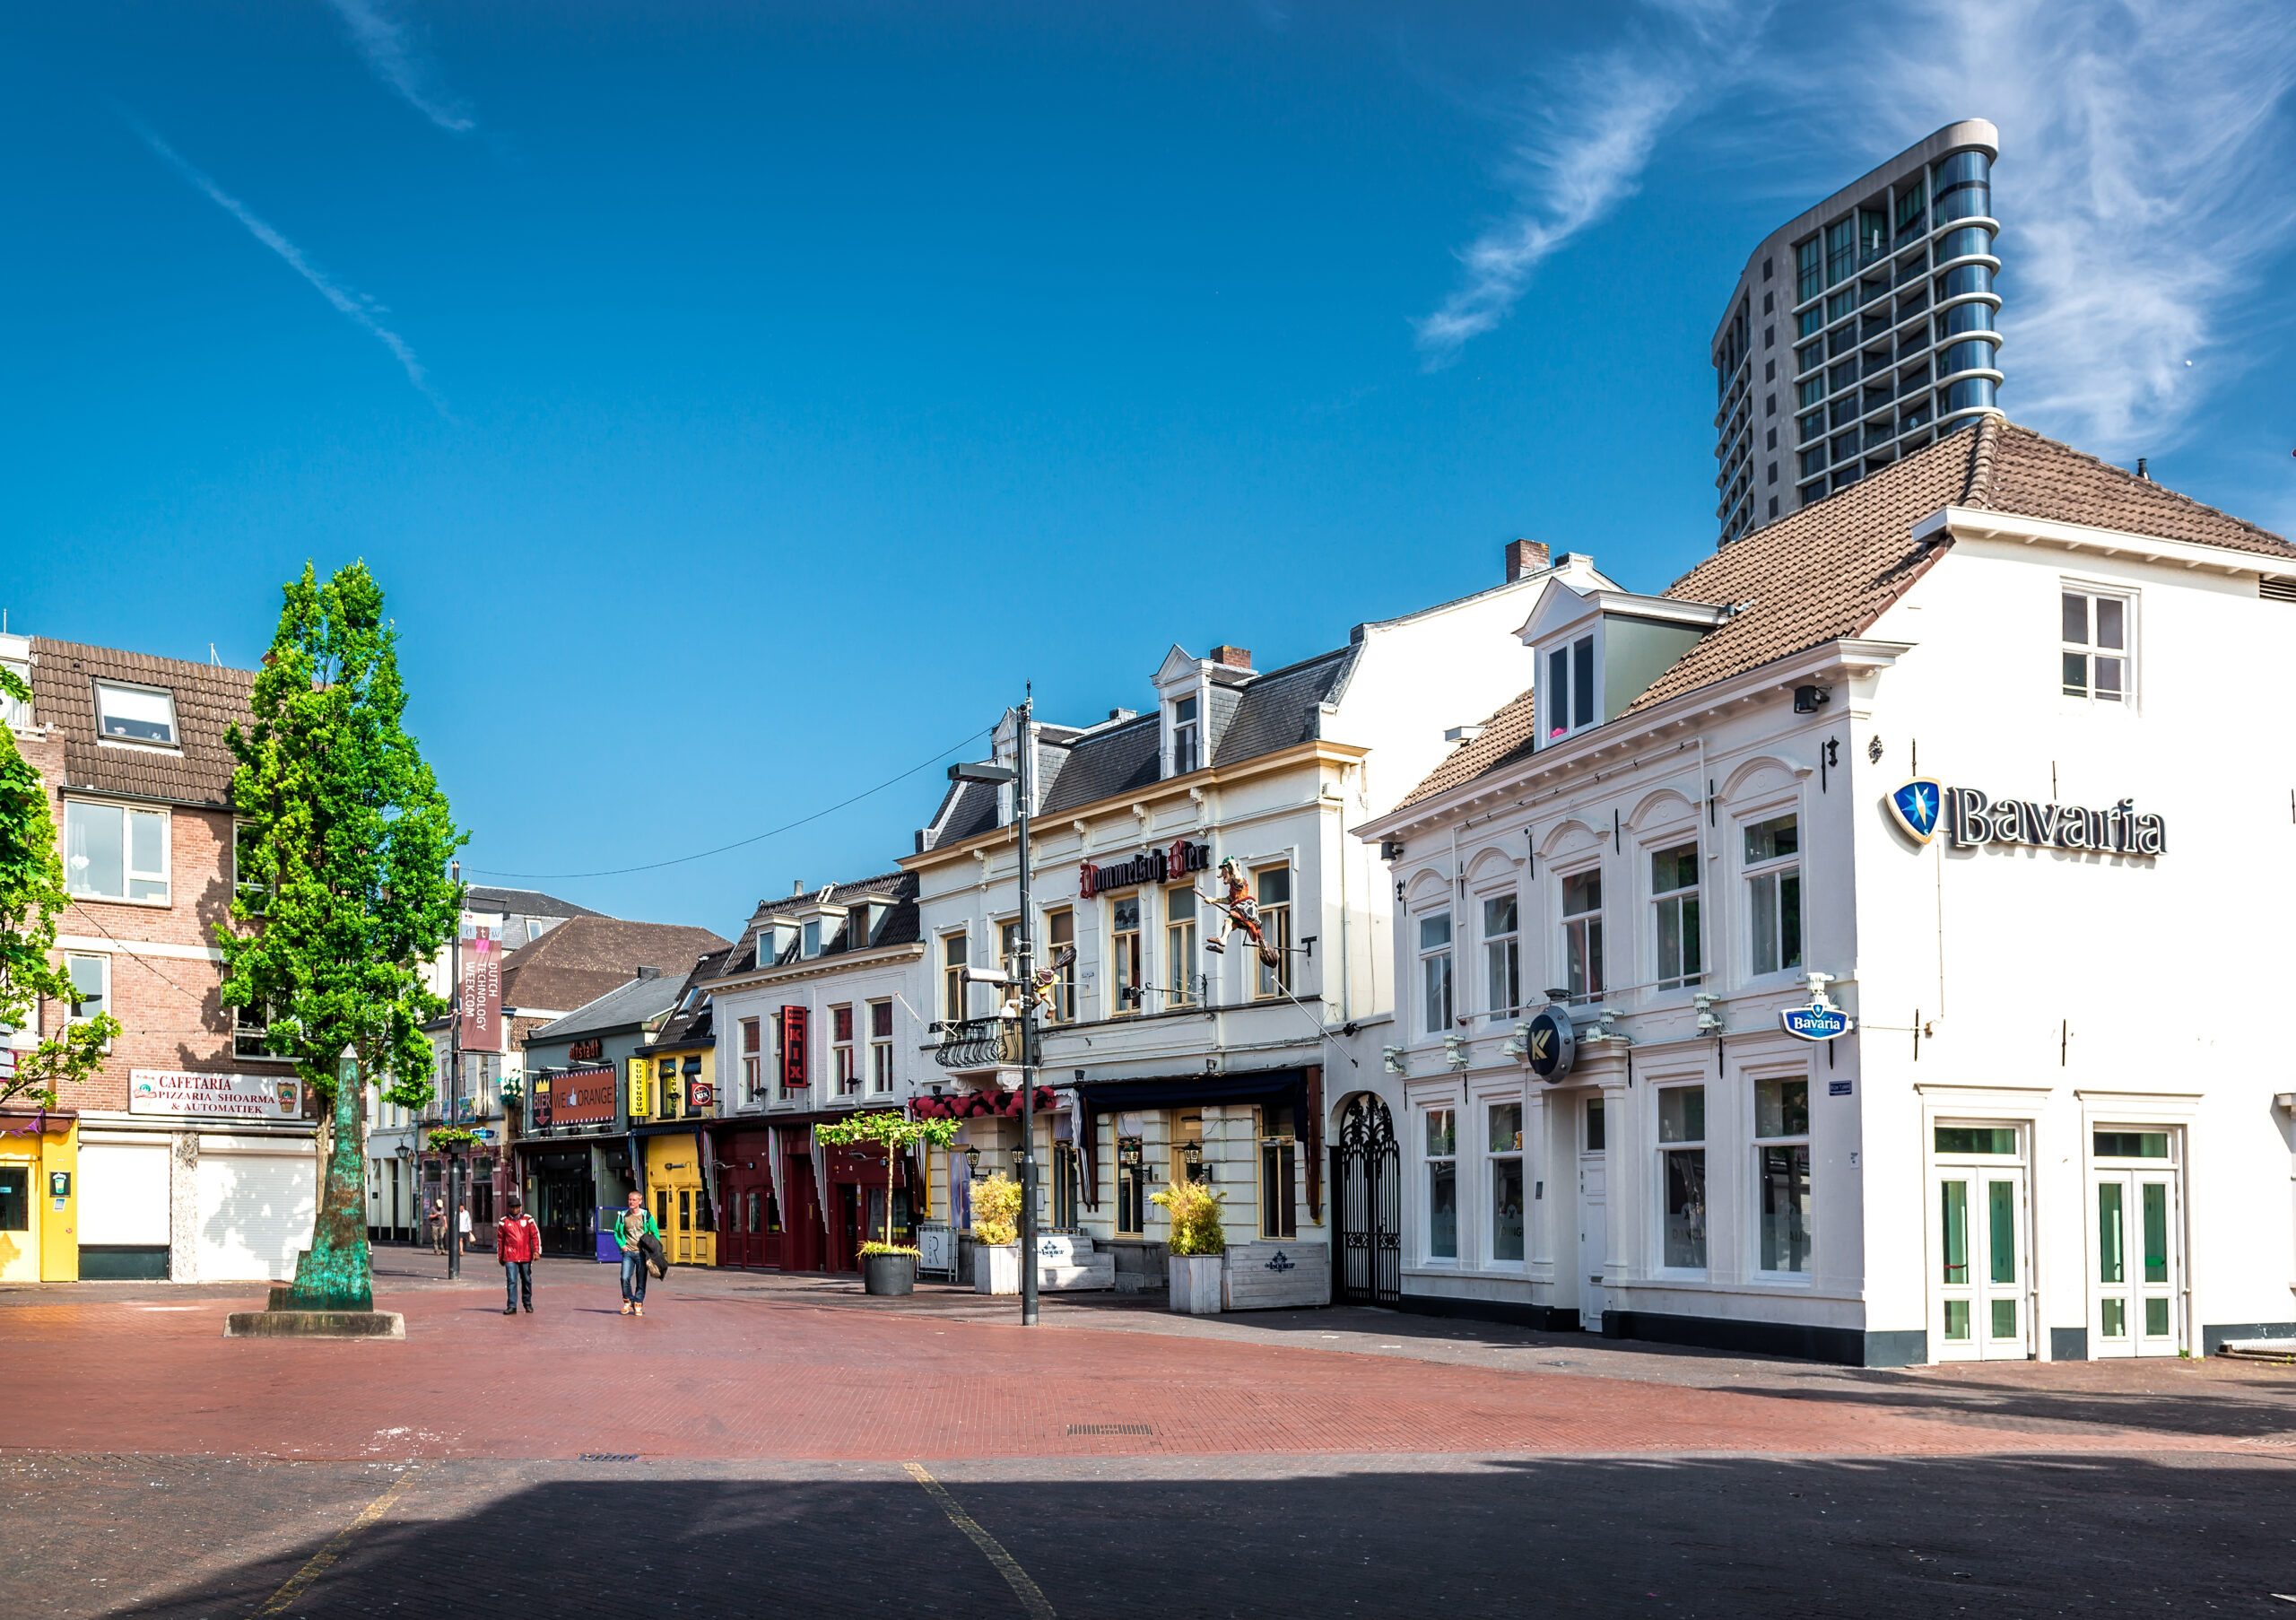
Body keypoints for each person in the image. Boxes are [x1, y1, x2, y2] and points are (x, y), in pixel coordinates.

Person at [614, 1189, 662, 1317]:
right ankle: (628, 1301)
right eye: (630, 1199)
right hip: (628, 1253)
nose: (631, 1202)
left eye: (634, 1200)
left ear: (640, 1201)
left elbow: (655, 1232)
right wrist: (622, 1245)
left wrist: (652, 1248)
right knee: (624, 1278)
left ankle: (638, 1303)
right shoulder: (623, 1216)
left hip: (642, 1254)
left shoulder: (646, 1216)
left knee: (641, 1280)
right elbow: (616, 1233)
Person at [497, 1194, 540, 1315]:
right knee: (511, 1280)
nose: (515, 1209)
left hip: (525, 1255)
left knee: (526, 1279)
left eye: (517, 1207)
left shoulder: (528, 1219)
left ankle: (527, 1303)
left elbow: (534, 1236)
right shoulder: (503, 1222)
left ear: (520, 1207)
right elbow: (500, 1240)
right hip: (510, 1256)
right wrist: (500, 1256)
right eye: (512, 1207)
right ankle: (511, 1305)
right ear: (509, 1208)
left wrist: (536, 1251)